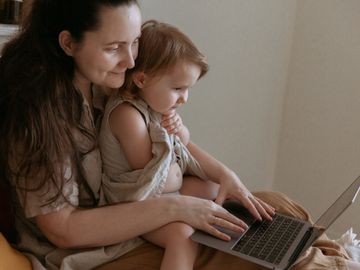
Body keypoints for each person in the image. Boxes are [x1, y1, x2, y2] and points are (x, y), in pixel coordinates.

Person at [0, 0, 353, 270]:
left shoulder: (109, 82)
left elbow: (167, 143)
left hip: (140, 214)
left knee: (274, 208)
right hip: (92, 251)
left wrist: (224, 176)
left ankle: (326, 255)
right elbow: (64, 230)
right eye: (113, 48)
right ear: (68, 43)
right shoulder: (34, 114)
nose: (129, 60)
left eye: (134, 42)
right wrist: (175, 208)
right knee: (237, 254)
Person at [99, 20, 275, 270]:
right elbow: (155, 173)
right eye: (178, 88)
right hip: (134, 203)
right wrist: (175, 151)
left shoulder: (156, 108)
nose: (184, 98)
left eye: (188, 89)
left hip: (159, 196)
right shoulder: (127, 115)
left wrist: (179, 132)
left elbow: (181, 148)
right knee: (183, 236)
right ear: (141, 79)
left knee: (214, 188)